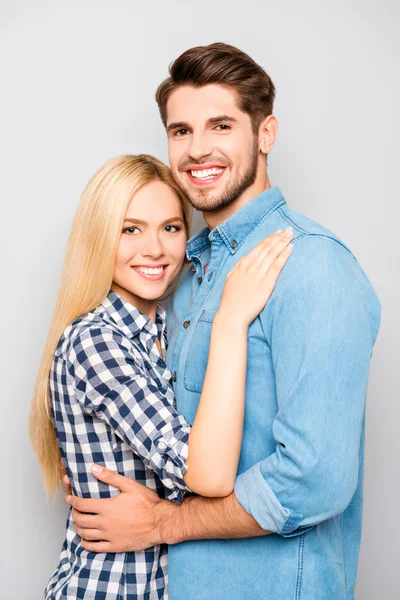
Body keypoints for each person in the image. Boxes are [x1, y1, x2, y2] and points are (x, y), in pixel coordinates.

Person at [64, 44, 381, 599]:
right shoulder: (180, 277)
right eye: (181, 130)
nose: (198, 149)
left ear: (266, 134)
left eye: (221, 125)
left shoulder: (312, 266)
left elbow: (313, 482)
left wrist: (163, 522)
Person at [30, 153, 292, 599]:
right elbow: (206, 476)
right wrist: (232, 318)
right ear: (98, 238)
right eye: (130, 229)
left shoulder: (170, 328)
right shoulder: (96, 342)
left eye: (170, 228)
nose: (154, 249)